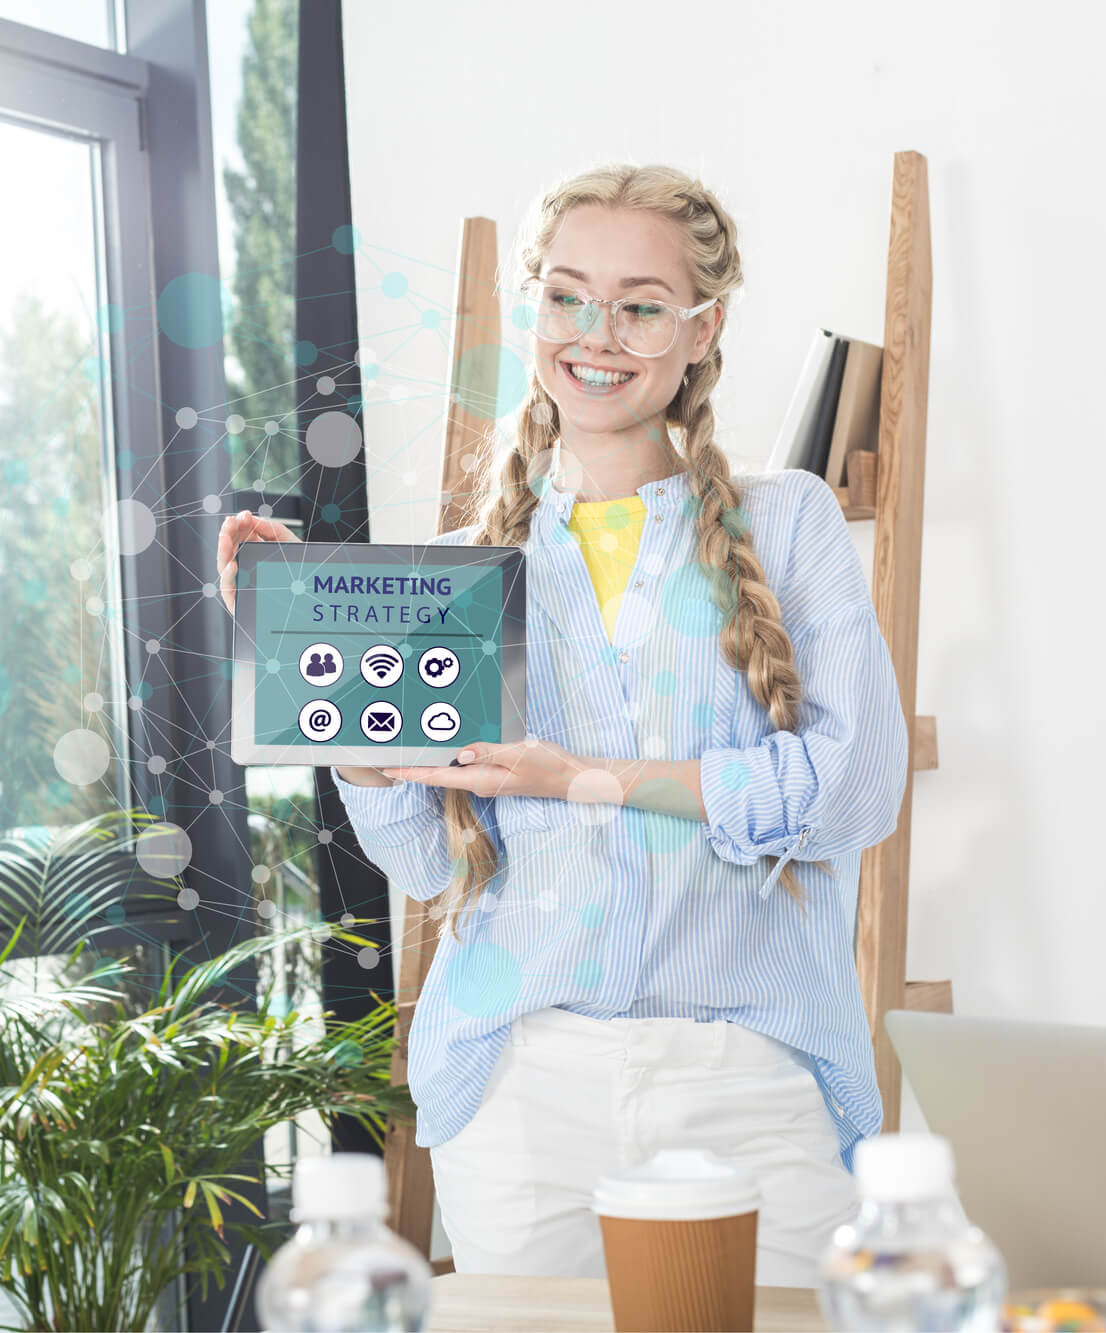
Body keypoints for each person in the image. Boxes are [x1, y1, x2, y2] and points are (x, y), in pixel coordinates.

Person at [216, 162, 908, 1285]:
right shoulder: (456, 571)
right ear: (532, 309)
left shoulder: (788, 524)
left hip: (752, 1070)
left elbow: (852, 791)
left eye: (641, 305)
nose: (597, 334)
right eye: (567, 296)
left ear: (702, 328)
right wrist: (314, 665)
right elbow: (428, 863)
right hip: (519, 1087)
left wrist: (583, 776)